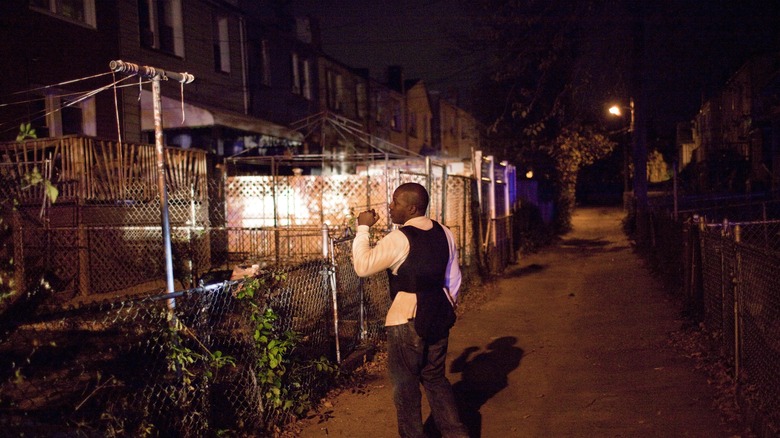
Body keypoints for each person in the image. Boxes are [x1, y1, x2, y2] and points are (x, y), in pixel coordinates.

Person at [352, 182, 469, 438]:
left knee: (405, 390)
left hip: (406, 319)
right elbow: (454, 278)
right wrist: (447, 307)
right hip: (438, 313)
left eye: (395, 202)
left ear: (412, 208)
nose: (390, 206)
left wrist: (362, 228)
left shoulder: (400, 238)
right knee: (436, 380)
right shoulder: (445, 232)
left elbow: (363, 266)